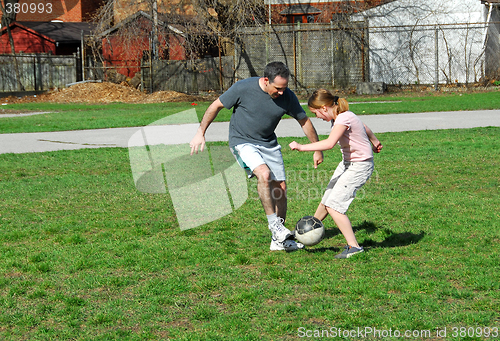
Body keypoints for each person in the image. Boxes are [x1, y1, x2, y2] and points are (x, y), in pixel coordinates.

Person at [190, 61, 324, 252]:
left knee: (281, 187)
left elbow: (304, 121)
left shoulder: (287, 96)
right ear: (265, 80)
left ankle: (278, 241)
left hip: (268, 142)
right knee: (264, 174)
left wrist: (316, 148)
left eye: (284, 88)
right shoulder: (243, 88)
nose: (281, 93)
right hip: (242, 141)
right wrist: (200, 132)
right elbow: (216, 106)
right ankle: (274, 225)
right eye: (277, 88)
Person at [289, 89, 383, 258]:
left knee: (334, 206)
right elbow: (364, 126)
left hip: (359, 166)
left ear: (324, 108)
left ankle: (354, 247)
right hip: (347, 164)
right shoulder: (342, 117)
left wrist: (302, 147)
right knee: (327, 199)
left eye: (316, 112)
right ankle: (306, 231)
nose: (317, 117)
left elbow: (330, 143)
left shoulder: (343, 118)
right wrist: (374, 141)